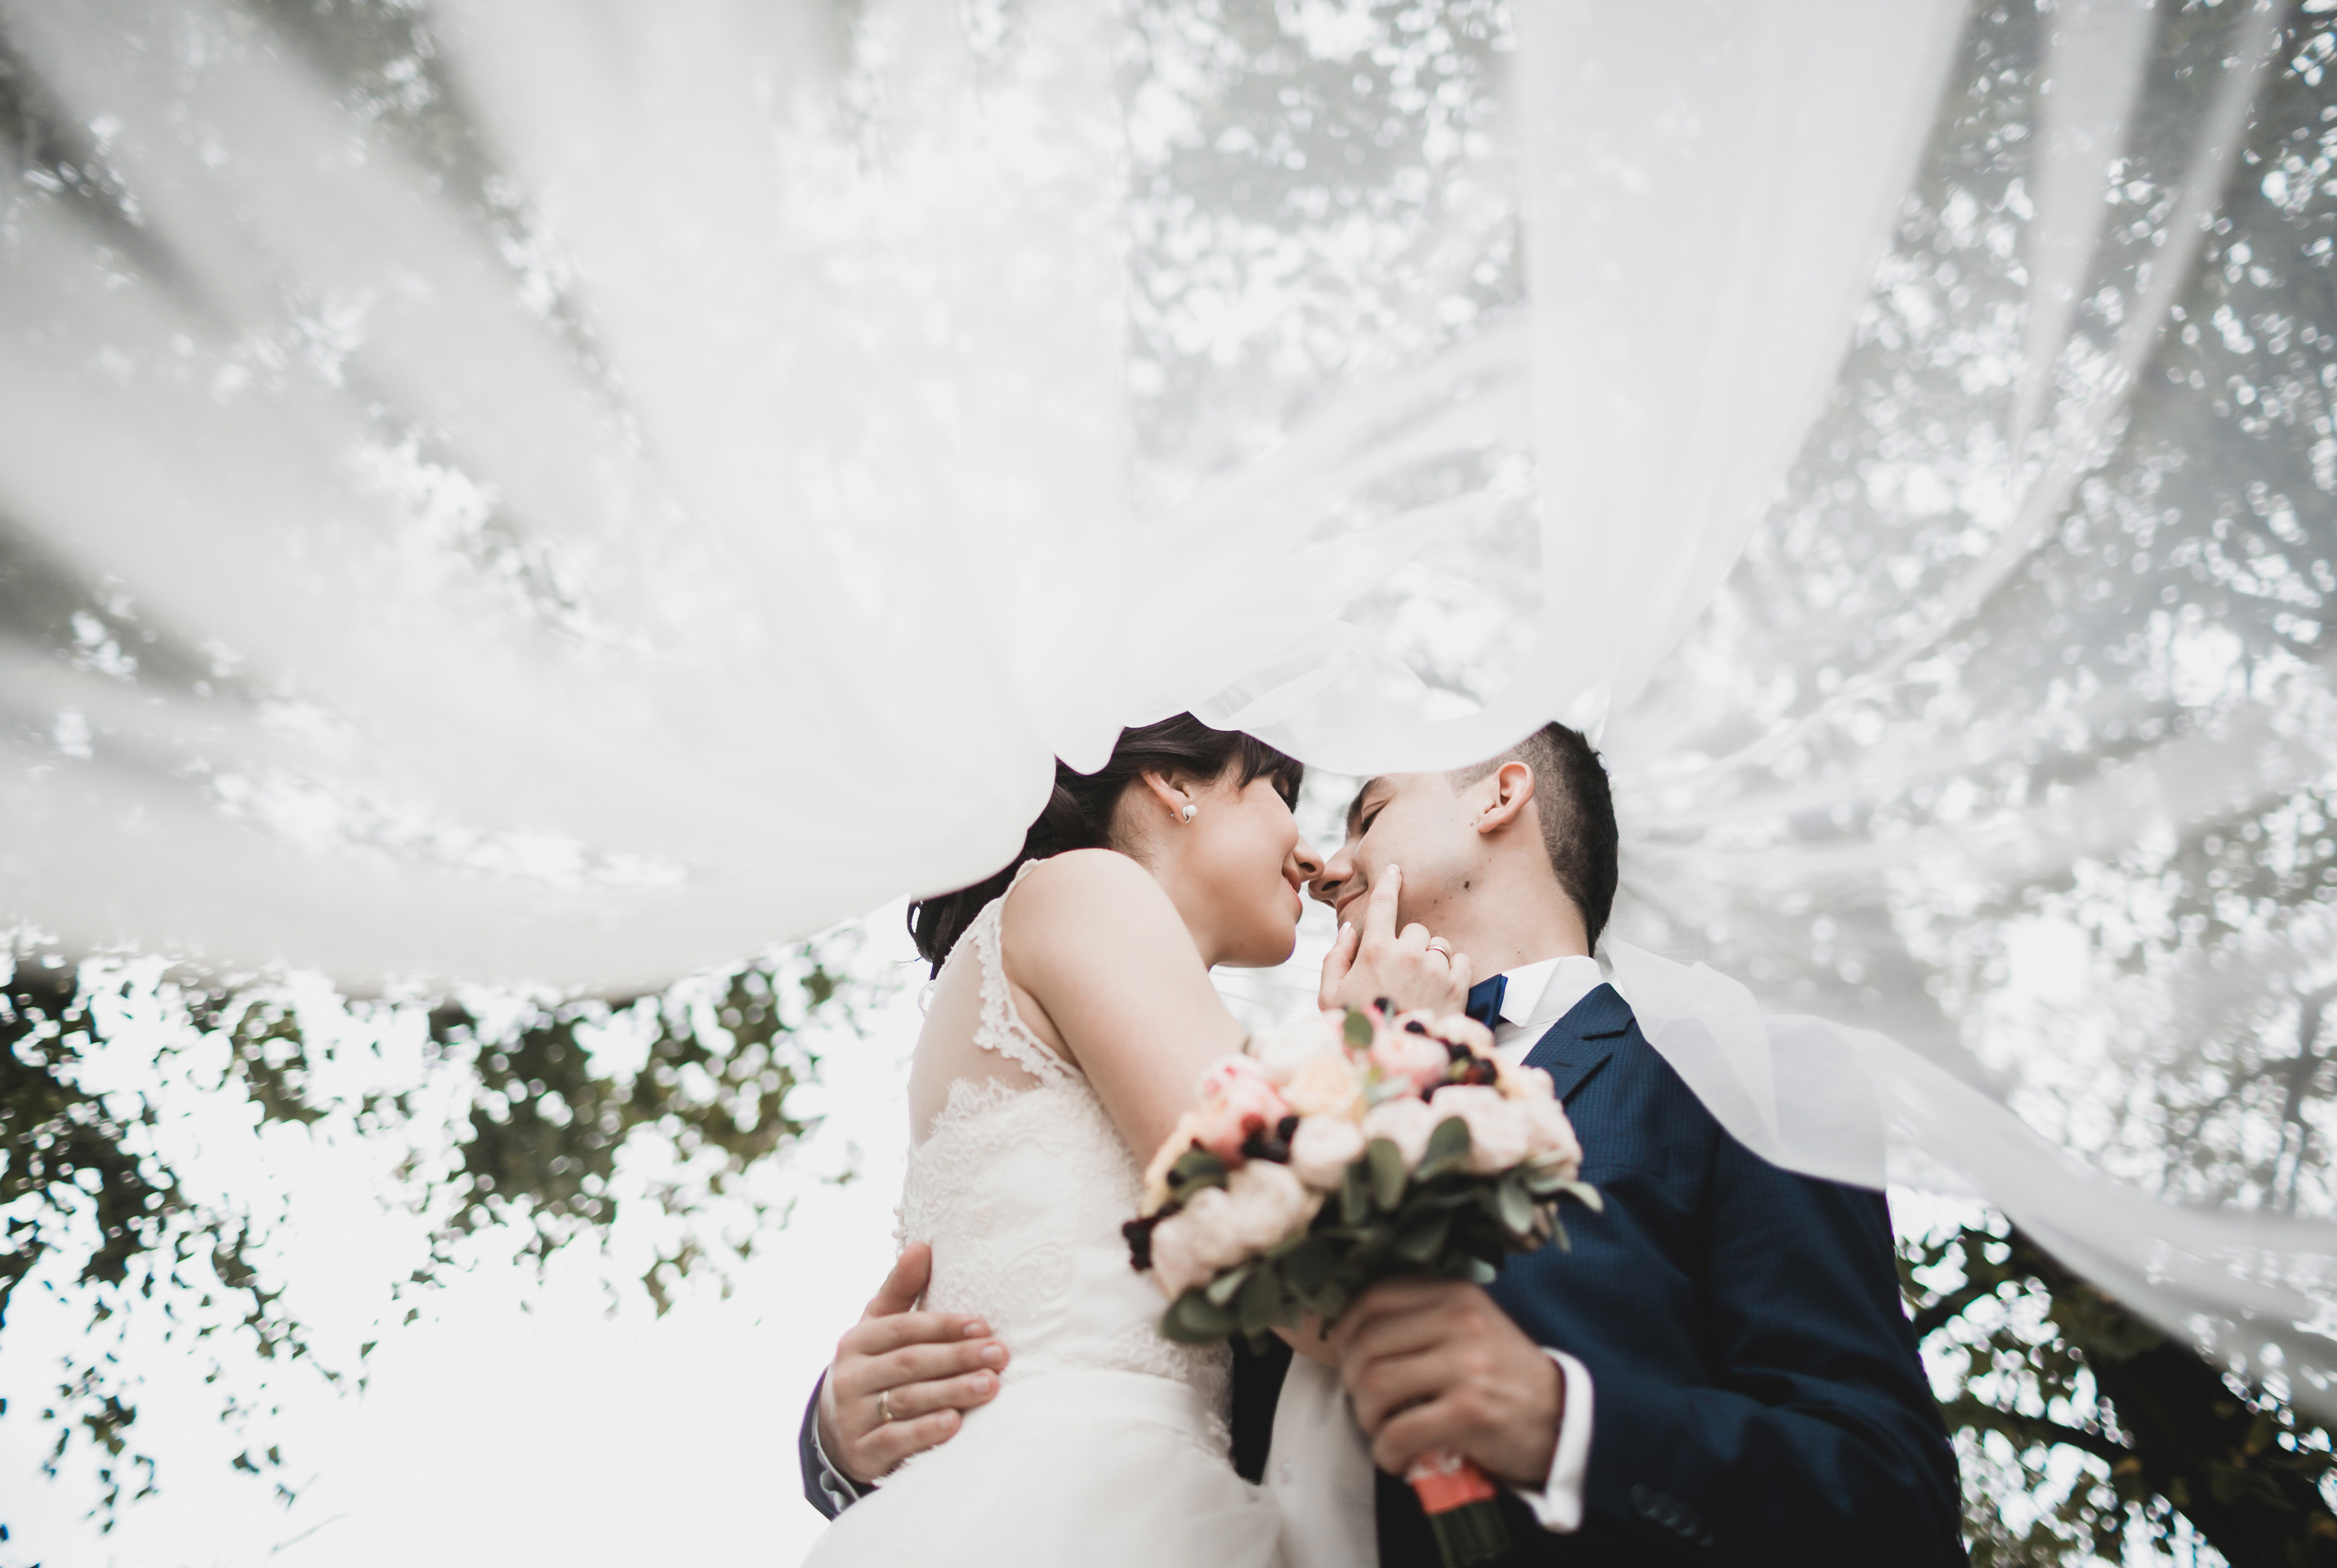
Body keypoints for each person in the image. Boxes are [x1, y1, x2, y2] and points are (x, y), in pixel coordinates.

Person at [802, 720, 1968, 1566]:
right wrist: (838, 1443)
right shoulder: (1244, 1074)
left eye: (1363, 814)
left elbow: (1891, 1496)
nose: (1324, 865)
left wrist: (1565, 1422)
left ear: (1500, 797)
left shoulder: (1742, 1074)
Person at [794, 713, 1470, 1568]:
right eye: (1281, 792)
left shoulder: (1067, 959)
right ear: (1172, 782)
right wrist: (1393, 1047)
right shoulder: (1086, 890)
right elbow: (1305, 1269)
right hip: (1087, 1505)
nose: (1308, 855)